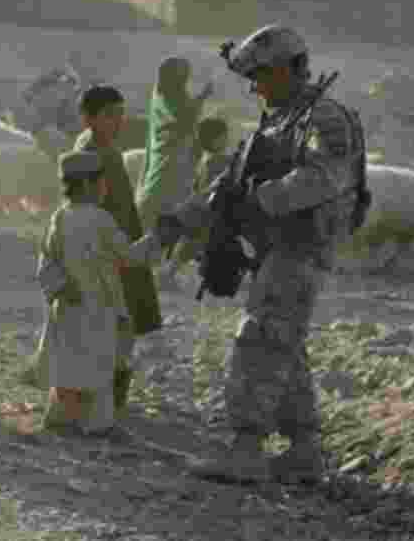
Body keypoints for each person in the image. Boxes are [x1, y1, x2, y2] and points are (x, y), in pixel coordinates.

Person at [151, 25, 367, 485]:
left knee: (259, 340)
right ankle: (304, 451)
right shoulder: (276, 121)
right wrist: (177, 222)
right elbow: (227, 189)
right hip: (278, 249)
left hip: (302, 248)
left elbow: (322, 179)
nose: (254, 87)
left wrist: (259, 200)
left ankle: (246, 449)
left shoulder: (324, 118)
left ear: (289, 70)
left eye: (261, 76)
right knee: (282, 342)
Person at [38, 150, 161, 436]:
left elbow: (46, 261)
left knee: (68, 364)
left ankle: (61, 418)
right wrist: (158, 238)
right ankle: (97, 425)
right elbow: (129, 256)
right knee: (98, 367)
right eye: (101, 182)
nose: (105, 188)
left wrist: (59, 287)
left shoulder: (60, 217)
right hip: (99, 308)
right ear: (87, 185)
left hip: (68, 307)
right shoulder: (101, 219)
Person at [73, 86, 163, 408]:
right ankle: (106, 400)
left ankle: (108, 399)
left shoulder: (103, 149)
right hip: (109, 251)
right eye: (110, 115)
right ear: (88, 118)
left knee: (120, 325)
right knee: (115, 325)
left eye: (120, 114)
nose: (118, 121)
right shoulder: (91, 154)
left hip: (121, 245)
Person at [136, 56, 213, 235]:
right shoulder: (166, 97)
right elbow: (185, 121)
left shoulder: (169, 96)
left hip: (176, 162)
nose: (186, 78)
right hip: (170, 165)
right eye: (183, 74)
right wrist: (202, 97)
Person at [160, 116, 232, 285]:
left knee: (188, 247)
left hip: (198, 210)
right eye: (224, 136)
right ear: (215, 140)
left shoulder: (205, 159)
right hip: (206, 213)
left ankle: (167, 275)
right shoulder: (218, 160)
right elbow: (213, 187)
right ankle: (166, 276)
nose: (227, 139)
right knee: (192, 246)